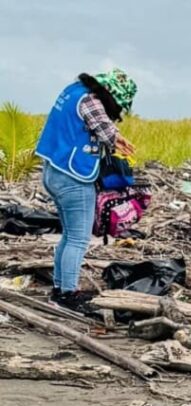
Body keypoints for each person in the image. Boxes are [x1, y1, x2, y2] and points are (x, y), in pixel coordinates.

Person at [35, 68, 138, 314]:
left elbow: (100, 127)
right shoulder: (92, 101)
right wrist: (117, 141)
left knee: (69, 236)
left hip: (52, 172)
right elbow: (104, 129)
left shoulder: (74, 91)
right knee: (79, 239)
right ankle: (68, 295)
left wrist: (117, 138)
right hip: (73, 177)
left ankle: (60, 288)